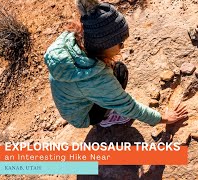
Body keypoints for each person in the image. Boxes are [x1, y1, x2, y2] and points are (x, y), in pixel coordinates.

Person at [44, 0, 188, 128]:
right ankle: (105, 119)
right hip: (84, 115)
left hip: (73, 104)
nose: (123, 47)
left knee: (118, 69)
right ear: (102, 45)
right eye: (119, 43)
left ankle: (104, 104)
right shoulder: (96, 79)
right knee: (120, 74)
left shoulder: (73, 38)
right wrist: (163, 119)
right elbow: (130, 108)